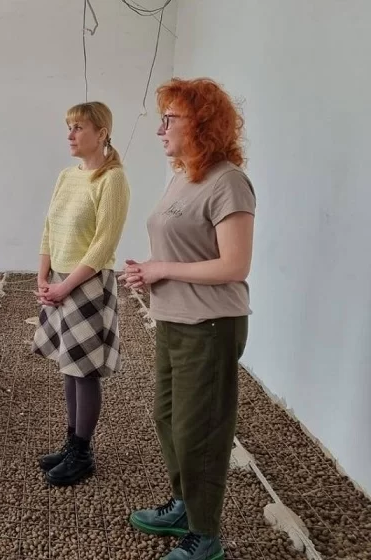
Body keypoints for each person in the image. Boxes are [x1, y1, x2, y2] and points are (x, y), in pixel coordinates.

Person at [121, 77, 255, 560]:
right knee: (170, 419)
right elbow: (183, 249)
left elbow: (234, 265)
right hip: (173, 318)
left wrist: (162, 269)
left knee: (201, 430)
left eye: (169, 119)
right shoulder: (184, 176)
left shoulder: (228, 182)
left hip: (211, 325)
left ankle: (206, 535)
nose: (160, 130)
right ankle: (185, 505)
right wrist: (148, 272)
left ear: (201, 124)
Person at [32, 102, 131, 487]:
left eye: (78, 128)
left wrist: (64, 285)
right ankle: (72, 443)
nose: (70, 135)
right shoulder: (66, 176)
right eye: (69, 127)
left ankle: (83, 453)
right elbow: (49, 228)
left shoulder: (112, 179)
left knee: (84, 370)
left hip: (86, 284)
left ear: (101, 133)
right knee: (68, 366)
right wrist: (43, 276)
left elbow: (103, 245)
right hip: (59, 280)